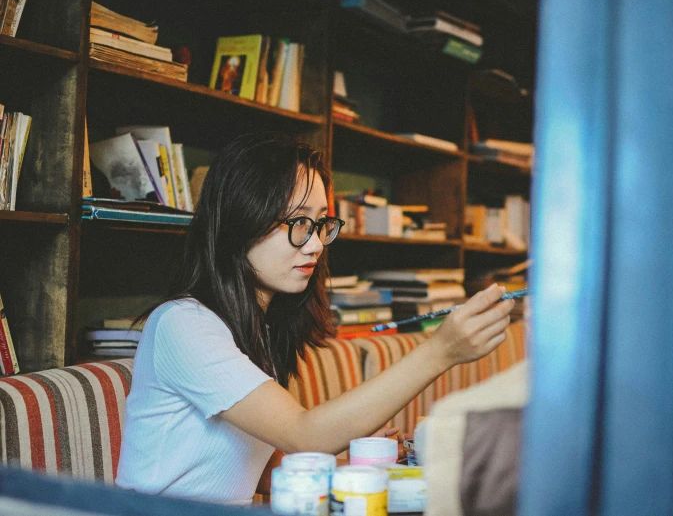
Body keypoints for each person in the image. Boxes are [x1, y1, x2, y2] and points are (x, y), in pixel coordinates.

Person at [115, 133, 515, 505]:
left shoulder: (260, 330)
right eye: (298, 223)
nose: (316, 244)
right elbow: (303, 434)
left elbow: (268, 474)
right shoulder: (183, 324)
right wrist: (440, 351)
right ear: (242, 221)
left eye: (321, 224)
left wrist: (363, 469)